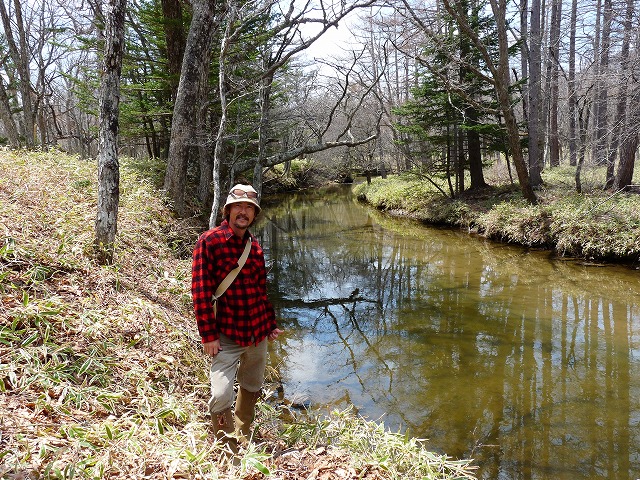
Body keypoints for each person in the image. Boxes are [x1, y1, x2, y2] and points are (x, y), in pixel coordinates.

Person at [191, 182, 283, 449]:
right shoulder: (209, 242)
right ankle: (225, 441)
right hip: (226, 335)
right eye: (238, 207)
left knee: (252, 386)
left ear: (255, 215)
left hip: (256, 333)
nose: (243, 212)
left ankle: (243, 432)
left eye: (249, 208)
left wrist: (270, 323)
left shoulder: (254, 248)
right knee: (221, 394)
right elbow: (200, 293)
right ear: (228, 210)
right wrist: (208, 336)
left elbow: (259, 290)